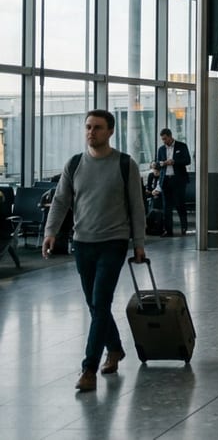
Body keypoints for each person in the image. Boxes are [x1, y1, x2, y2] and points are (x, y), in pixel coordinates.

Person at [43, 109, 147, 391]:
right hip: (83, 243)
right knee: (94, 304)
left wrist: (139, 243)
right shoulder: (75, 164)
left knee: (100, 302)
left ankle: (88, 368)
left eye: (98, 128)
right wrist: (50, 232)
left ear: (110, 131)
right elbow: (61, 200)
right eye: (88, 127)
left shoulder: (125, 164)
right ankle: (114, 348)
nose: (91, 132)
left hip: (113, 242)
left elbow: (137, 207)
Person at [155, 128, 192, 236]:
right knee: (167, 206)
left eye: (165, 139)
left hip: (179, 180)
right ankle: (168, 230)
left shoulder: (182, 146)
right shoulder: (161, 149)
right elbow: (158, 163)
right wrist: (160, 164)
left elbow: (187, 160)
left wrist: (174, 162)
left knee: (180, 204)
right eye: (162, 139)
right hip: (165, 180)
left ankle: (184, 228)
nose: (164, 141)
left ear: (170, 136)